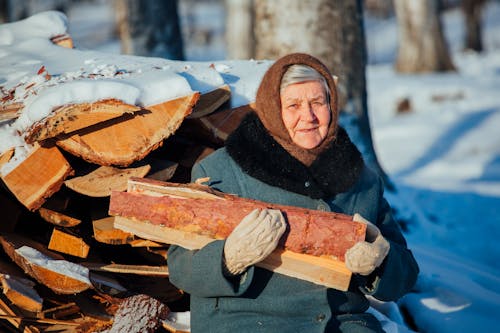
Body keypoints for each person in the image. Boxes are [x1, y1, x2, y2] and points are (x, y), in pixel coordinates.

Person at [167, 53, 419, 332]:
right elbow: (180, 268)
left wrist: (379, 263)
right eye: (293, 105)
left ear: (332, 105)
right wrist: (229, 257)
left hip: (340, 324)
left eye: (317, 103)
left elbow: (405, 276)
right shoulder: (222, 170)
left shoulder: (361, 180)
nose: (308, 117)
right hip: (245, 322)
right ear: (272, 109)